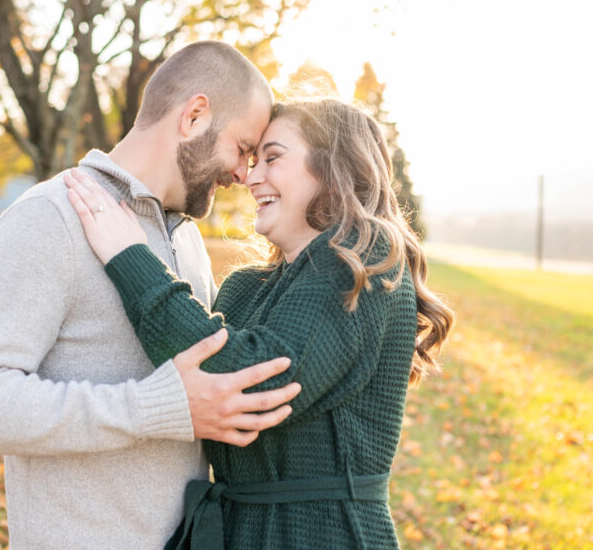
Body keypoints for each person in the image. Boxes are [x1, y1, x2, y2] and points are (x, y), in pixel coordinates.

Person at [0, 41, 303, 550]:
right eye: (242, 148)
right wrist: (151, 407)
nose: (244, 174)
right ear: (194, 116)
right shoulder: (49, 218)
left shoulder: (187, 239)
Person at [63, 97, 455, 550]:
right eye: (252, 162)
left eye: (273, 158)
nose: (250, 178)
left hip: (324, 537)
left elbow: (246, 380)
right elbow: (193, 379)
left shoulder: (364, 261)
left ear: (332, 170)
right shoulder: (245, 288)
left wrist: (130, 256)